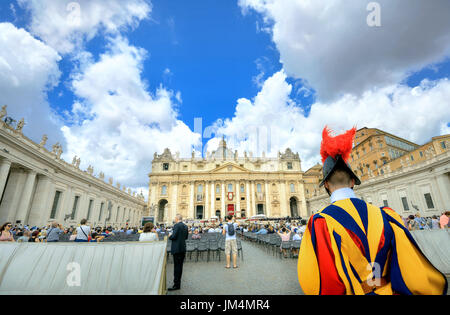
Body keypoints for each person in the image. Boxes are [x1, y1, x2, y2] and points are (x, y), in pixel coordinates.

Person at [298, 126, 447, 295]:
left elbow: (318, 281)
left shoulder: (320, 222)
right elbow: (412, 268)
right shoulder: (386, 214)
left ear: (325, 184)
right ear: (353, 181)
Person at [168, 214, 188, 291]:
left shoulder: (176, 226)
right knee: (180, 267)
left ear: (176, 218)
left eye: (174, 218)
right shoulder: (185, 226)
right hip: (182, 248)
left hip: (176, 249)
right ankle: (177, 284)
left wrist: (170, 235)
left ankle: (176, 284)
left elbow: (173, 237)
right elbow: (186, 237)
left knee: (176, 267)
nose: (174, 219)